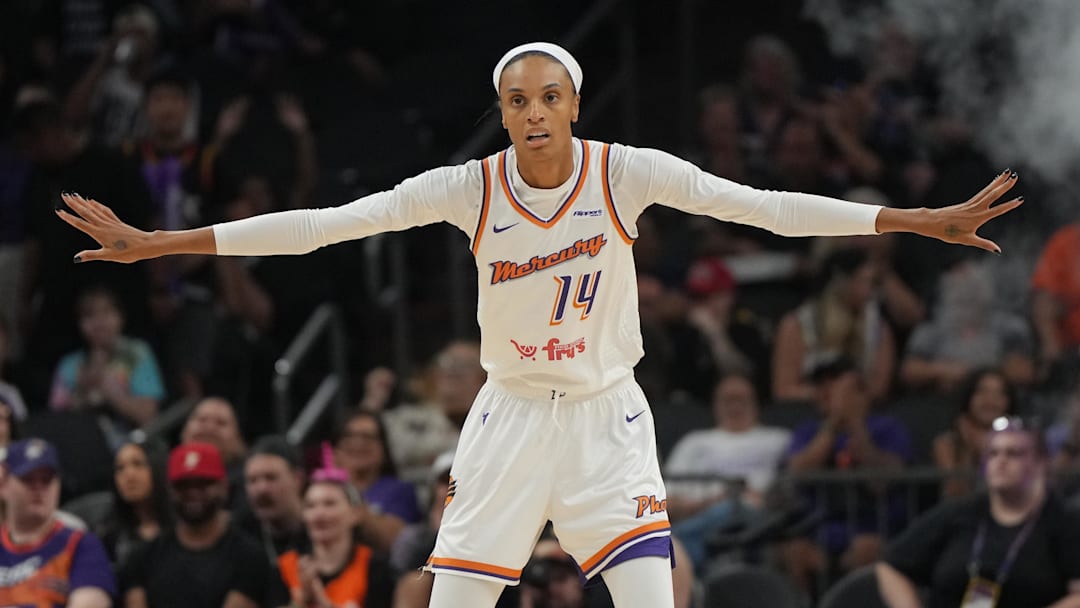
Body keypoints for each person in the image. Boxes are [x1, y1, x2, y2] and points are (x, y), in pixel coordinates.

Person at [55, 41, 1021, 608]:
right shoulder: (468, 189)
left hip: (608, 419)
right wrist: (161, 244)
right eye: (515, 101)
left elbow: (762, 205)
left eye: (546, 97)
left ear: (573, 102)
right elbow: (320, 227)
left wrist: (910, 218)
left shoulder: (623, 172)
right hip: (511, 416)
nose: (531, 113)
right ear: (503, 111)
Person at [877, 417, 1080, 608]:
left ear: (1040, 463)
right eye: (993, 453)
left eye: (1013, 453)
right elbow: (892, 565)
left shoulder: (1062, 520)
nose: (1001, 461)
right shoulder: (960, 512)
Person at [665, 373, 790, 570]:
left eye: (741, 400)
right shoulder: (693, 442)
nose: (735, 406)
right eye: (728, 400)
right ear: (715, 404)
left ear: (756, 403)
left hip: (757, 517)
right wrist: (709, 504)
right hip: (702, 515)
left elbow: (791, 488)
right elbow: (665, 502)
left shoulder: (778, 440)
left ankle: (671, 551)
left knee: (734, 507)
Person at [121, 442, 269, 607]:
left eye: (203, 483)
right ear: (170, 490)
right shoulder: (143, 557)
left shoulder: (248, 556)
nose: (192, 492)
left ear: (223, 486)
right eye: (183, 485)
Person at [0, 438, 115, 607]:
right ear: (4, 485)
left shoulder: (80, 544)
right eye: (28, 479)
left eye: (46, 480)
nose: (39, 488)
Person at [48, 285, 165, 449]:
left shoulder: (136, 354)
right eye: (90, 315)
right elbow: (55, 422)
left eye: (106, 312)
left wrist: (110, 390)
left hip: (131, 447)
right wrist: (83, 387)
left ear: (120, 317)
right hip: (81, 447)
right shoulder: (70, 364)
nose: (99, 322)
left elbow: (148, 415)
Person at [277, 444, 394, 608]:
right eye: (311, 506)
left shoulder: (374, 567)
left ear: (355, 514)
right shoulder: (286, 566)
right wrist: (301, 600)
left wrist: (323, 603)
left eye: (329, 504)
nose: (319, 514)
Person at [333, 410, 420, 551]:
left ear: (383, 449)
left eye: (368, 436)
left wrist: (350, 492)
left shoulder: (400, 491)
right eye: (349, 435)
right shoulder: (321, 492)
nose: (358, 442)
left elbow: (395, 541)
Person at [933, 369, 1019, 498]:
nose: (990, 400)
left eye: (999, 393)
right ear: (969, 397)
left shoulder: (1020, 441)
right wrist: (967, 447)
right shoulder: (946, 443)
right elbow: (955, 494)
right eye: (982, 392)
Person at [96, 438, 172, 566]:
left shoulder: (184, 524)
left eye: (138, 464)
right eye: (120, 468)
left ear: (157, 467)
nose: (129, 475)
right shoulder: (108, 536)